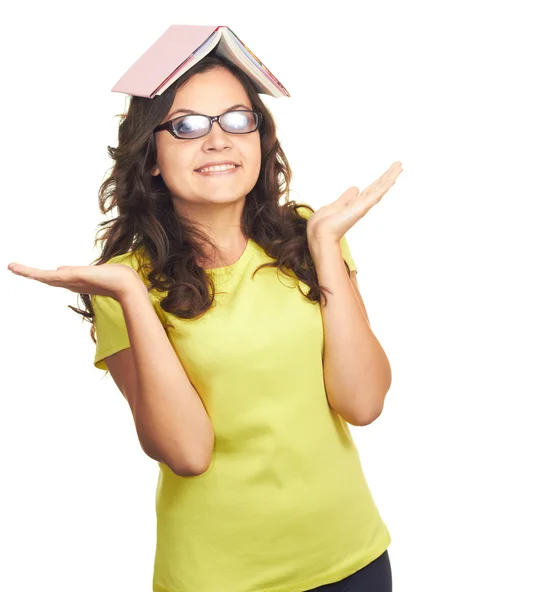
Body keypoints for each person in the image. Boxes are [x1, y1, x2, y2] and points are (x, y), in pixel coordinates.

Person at [7, 50, 399, 591]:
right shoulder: (123, 283)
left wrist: (326, 245)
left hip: (352, 559)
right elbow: (188, 454)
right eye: (187, 126)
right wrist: (132, 299)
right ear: (150, 156)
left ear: (259, 138)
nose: (217, 139)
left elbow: (364, 402)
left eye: (238, 119)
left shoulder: (310, 235)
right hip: (218, 577)